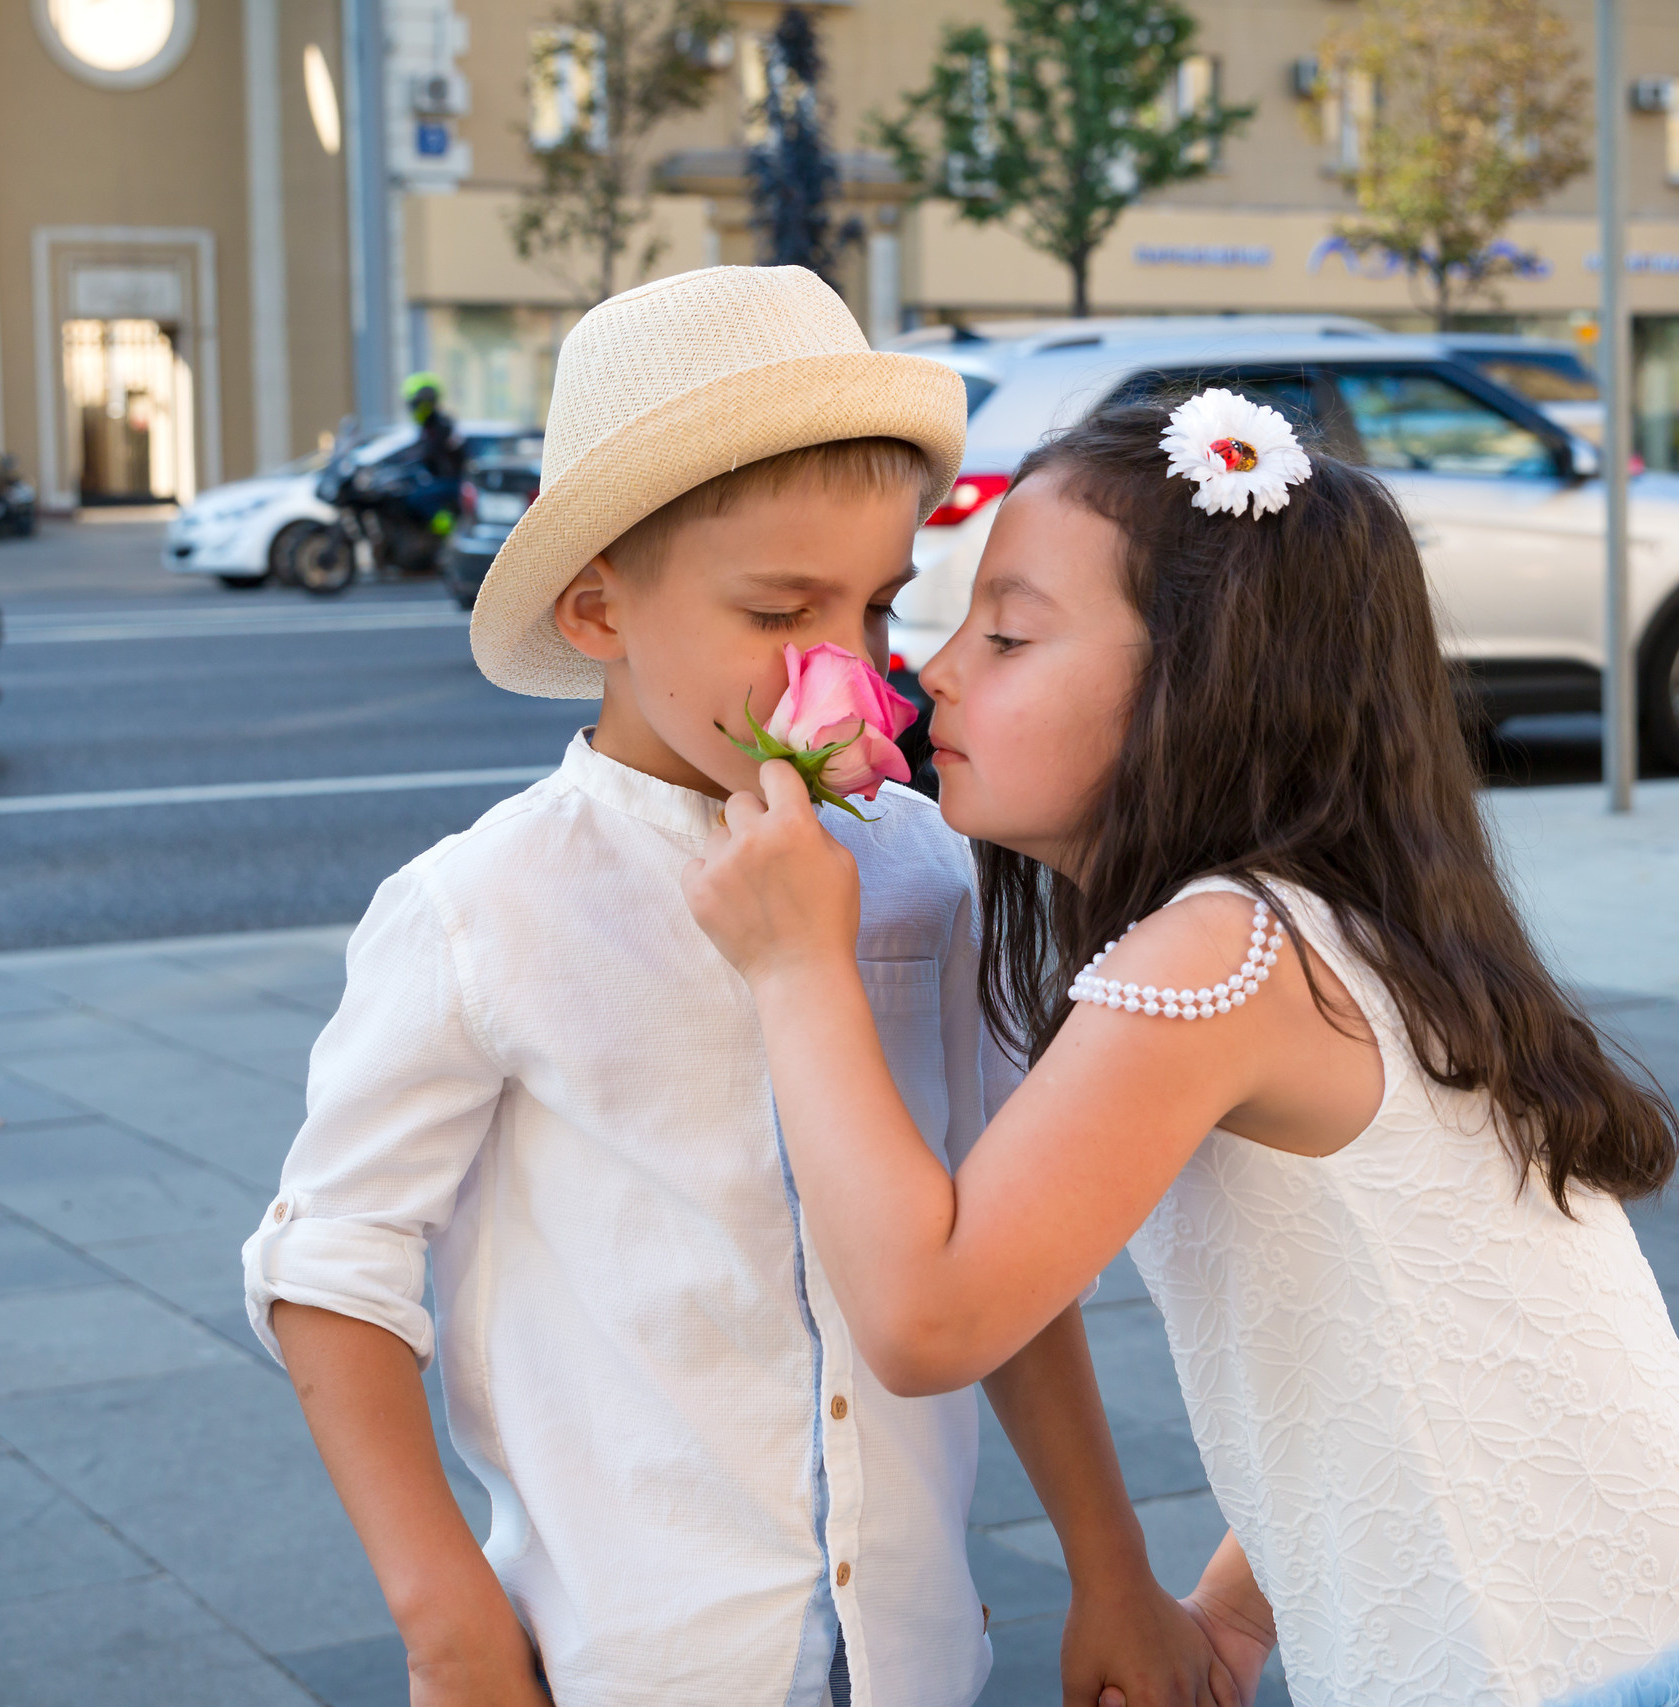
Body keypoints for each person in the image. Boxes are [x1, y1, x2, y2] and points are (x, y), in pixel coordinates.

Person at [684, 390, 1679, 1707]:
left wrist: (797, 965)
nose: (936, 667)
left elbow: (928, 1316)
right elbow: (1427, 1342)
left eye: (1009, 631)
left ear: (1204, 688)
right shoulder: (1348, 929)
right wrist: (1243, 1609)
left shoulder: (1223, 953)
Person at [242, 270, 1230, 1707]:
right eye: (781, 607)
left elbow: (994, 1250)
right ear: (597, 609)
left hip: (909, 1647)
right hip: (632, 1650)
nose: (846, 662)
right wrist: (442, 1604)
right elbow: (331, 1259)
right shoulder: (485, 902)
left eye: (878, 605)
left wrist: (1106, 1558)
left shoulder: (920, 869)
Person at [401, 371, 467, 533]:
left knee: (417, 497)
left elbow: (427, 452)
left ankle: (447, 534)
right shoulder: (428, 427)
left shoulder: (442, 426)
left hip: (453, 483)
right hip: (440, 480)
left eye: (415, 404)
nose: (413, 410)